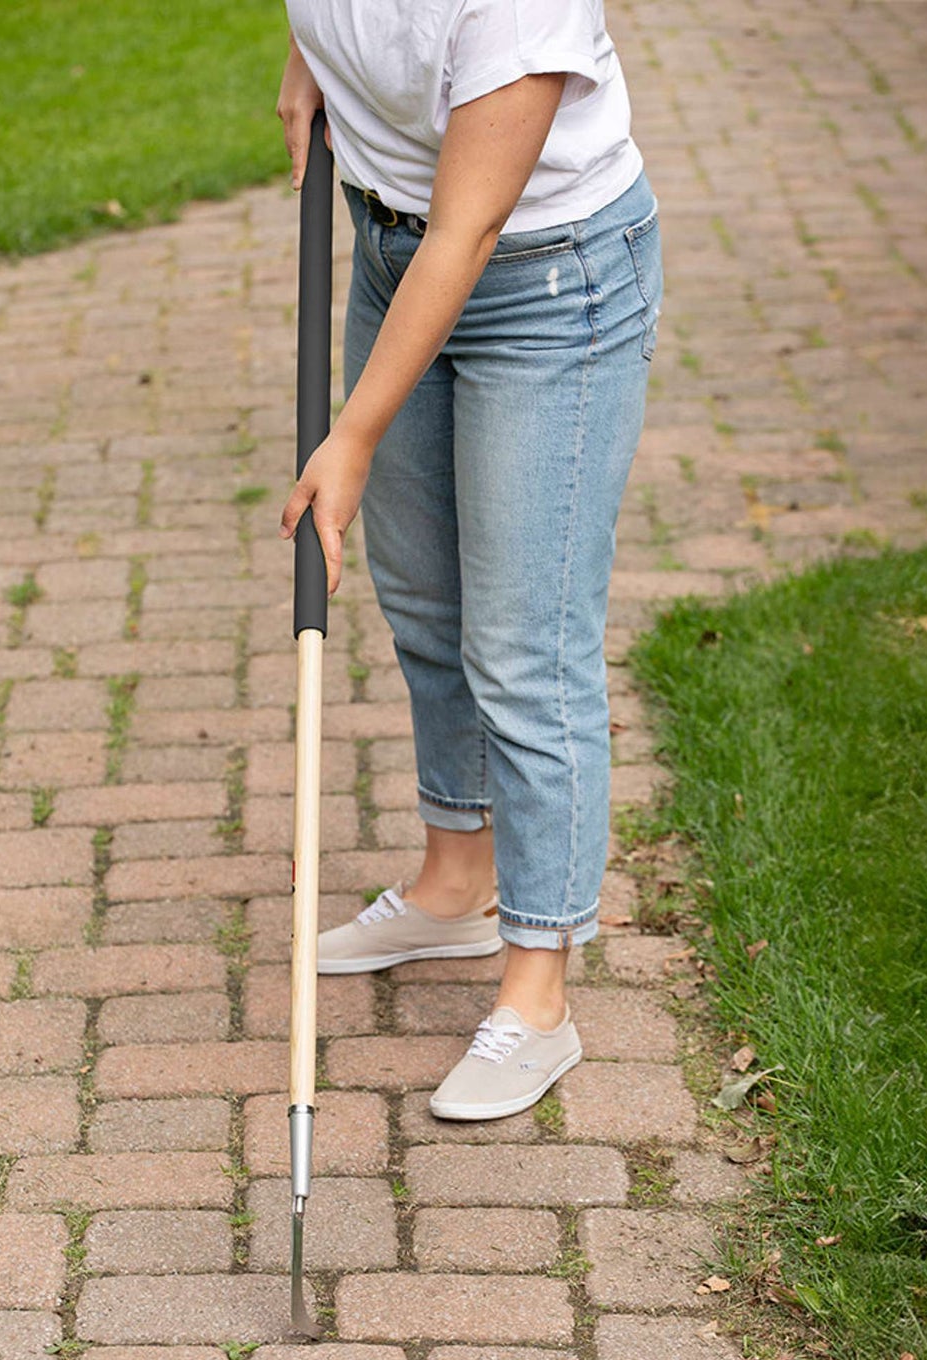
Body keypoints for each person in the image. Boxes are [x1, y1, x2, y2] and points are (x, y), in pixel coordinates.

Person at [277, 0, 662, 1122]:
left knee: (524, 644)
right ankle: (455, 883)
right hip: (390, 247)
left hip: (546, 282)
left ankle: (538, 989)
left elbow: (469, 228)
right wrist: (310, 53)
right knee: (424, 601)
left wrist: (350, 437)